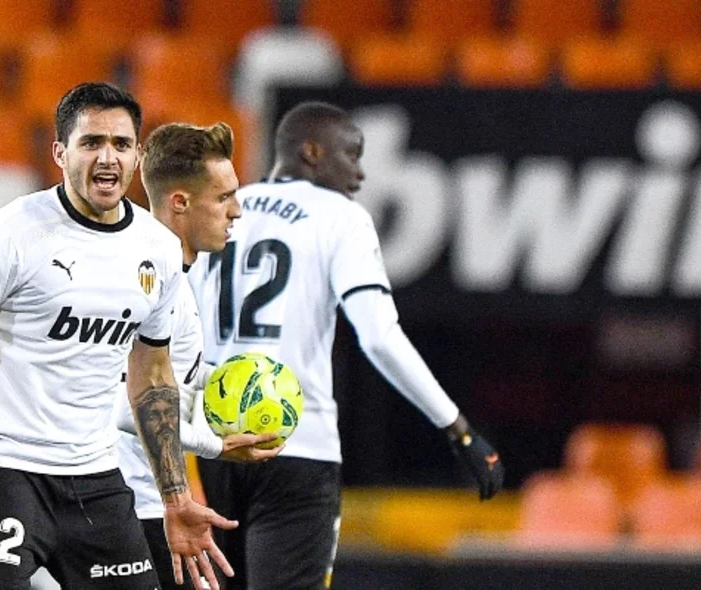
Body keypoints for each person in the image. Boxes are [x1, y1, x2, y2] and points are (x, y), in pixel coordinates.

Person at [0, 82, 235, 590]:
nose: (107, 157)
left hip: (93, 474)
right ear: (60, 152)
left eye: (121, 144)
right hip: (1, 465)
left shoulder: (157, 249)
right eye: (91, 142)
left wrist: (175, 497)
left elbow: (152, 378)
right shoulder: (6, 234)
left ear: (138, 155)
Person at [189, 101, 506, 589]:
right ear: (312, 151)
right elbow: (378, 335)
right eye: (352, 155)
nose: (359, 174)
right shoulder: (340, 216)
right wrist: (458, 428)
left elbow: (174, 327)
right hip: (296, 441)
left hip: (214, 442)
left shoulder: (223, 205)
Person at [113, 121, 281, 589]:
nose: (238, 211)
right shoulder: (138, 277)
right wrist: (215, 445)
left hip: (146, 502)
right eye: (224, 197)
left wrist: (238, 383)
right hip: (123, 506)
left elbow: (171, 377)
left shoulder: (173, 279)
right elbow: (119, 401)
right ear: (180, 203)